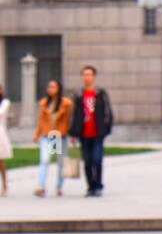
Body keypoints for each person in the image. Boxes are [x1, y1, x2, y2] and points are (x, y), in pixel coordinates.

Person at [69, 65, 113, 197]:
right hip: (84, 133)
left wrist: (106, 128)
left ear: (94, 77)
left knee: (97, 159)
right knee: (87, 161)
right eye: (85, 75)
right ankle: (90, 186)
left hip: (97, 133)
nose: (87, 77)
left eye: (89, 75)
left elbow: (107, 112)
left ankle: (98, 185)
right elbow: (74, 114)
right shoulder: (79, 95)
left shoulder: (100, 94)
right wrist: (73, 132)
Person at [33, 79, 72, 197]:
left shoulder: (66, 103)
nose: (50, 89)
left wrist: (71, 134)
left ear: (59, 89)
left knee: (60, 162)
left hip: (60, 135)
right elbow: (41, 120)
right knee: (44, 159)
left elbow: (69, 120)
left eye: (53, 87)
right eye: (49, 87)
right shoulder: (44, 103)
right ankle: (41, 186)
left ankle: (59, 186)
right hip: (48, 135)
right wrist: (37, 133)